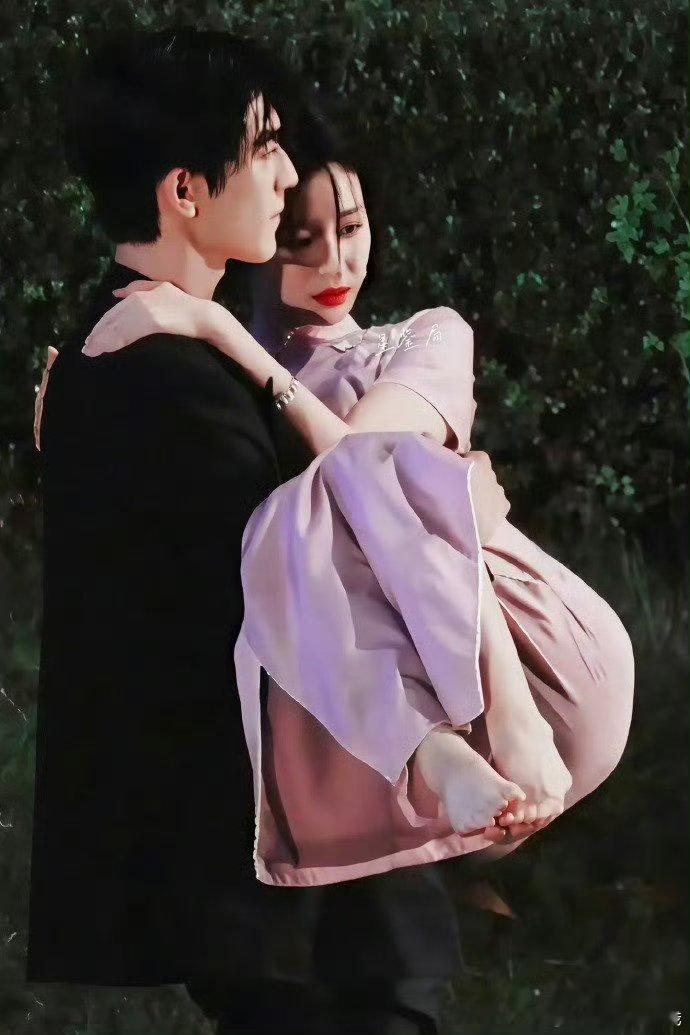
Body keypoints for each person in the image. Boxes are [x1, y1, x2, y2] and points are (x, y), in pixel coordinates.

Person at [28, 27, 517, 1035]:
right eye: (263, 149)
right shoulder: (164, 376)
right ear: (184, 191)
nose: (287, 175)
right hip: (294, 896)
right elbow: (313, 575)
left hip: (287, 888)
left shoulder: (127, 347)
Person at [78, 106, 635, 890]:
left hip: (532, 652)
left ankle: (501, 722)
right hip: (372, 726)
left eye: (350, 228)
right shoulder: (215, 380)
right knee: (278, 526)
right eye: (301, 240)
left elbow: (362, 458)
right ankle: (434, 755)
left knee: (317, 495)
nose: (334, 262)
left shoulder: (425, 336)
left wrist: (219, 332)